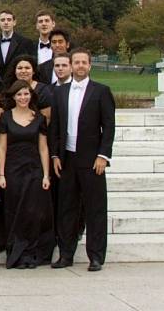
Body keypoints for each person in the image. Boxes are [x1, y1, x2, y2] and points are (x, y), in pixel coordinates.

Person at [50, 48, 115, 272]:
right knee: (66, 209)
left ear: (89, 66)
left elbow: (109, 127)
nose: (79, 66)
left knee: (95, 208)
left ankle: (96, 256)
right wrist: (55, 155)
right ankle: (66, 254)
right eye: (75, 62)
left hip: (92, 160)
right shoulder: (60, 92)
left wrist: (103, 156)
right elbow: (55, 127)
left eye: (83, 62)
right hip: (67, 159)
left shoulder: (101, 91)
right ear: (70, 65)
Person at [0, 80, 53, 269]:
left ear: (31, 96)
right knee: (14, 210)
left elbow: (43, 148)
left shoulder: (39, 118)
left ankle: (30, 252)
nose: (23, 97)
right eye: (19, 94)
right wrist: (1, 174)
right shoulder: (5, 117)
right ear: (13, 97)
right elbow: (2, 147)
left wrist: (46, 175)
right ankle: (15, 253)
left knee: (32, 211)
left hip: (34, 169)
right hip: (12, 170)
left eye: (26, 94)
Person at [3, 55, 53, 124]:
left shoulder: (43, 90)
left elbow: (46, 118)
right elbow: (2, 114)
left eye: (27, 68)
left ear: (33, 71)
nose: (23, 71)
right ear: (15, 71)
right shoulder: (8, 88)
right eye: (20, 68)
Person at [0, 10, 34, 82]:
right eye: (3, 20)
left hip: (17, 84)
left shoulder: (26, 42)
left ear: (14, 22)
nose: (6, 22)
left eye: (9, 20)